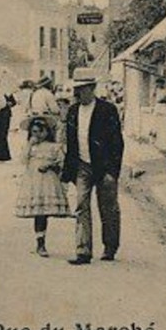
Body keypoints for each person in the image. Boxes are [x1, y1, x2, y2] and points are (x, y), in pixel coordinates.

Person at [61, 68, 125, 265]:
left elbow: (117, 143)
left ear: (92, 88)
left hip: (104, 167)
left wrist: (112, 172)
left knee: (108, 208)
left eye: (82, 89)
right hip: (82, 165)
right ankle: (83, 251)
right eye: (76, 90)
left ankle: (110, 247)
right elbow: (70, 142)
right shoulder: (73, 111)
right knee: (81, 206)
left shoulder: (107, 110)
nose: (78, 94)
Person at [14, 114, 70, 257]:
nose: (37, 135)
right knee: (39, 213)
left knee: (44, 212)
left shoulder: (54, 147)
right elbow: (23, 160)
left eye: (40, 131)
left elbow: (61, 163)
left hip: (49, 182)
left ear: (47, 131)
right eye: (34, 132)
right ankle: (40, 243)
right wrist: (29, 145)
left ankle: (42, 242)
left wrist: (51, 165)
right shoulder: (31, 148)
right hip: (34, 182)